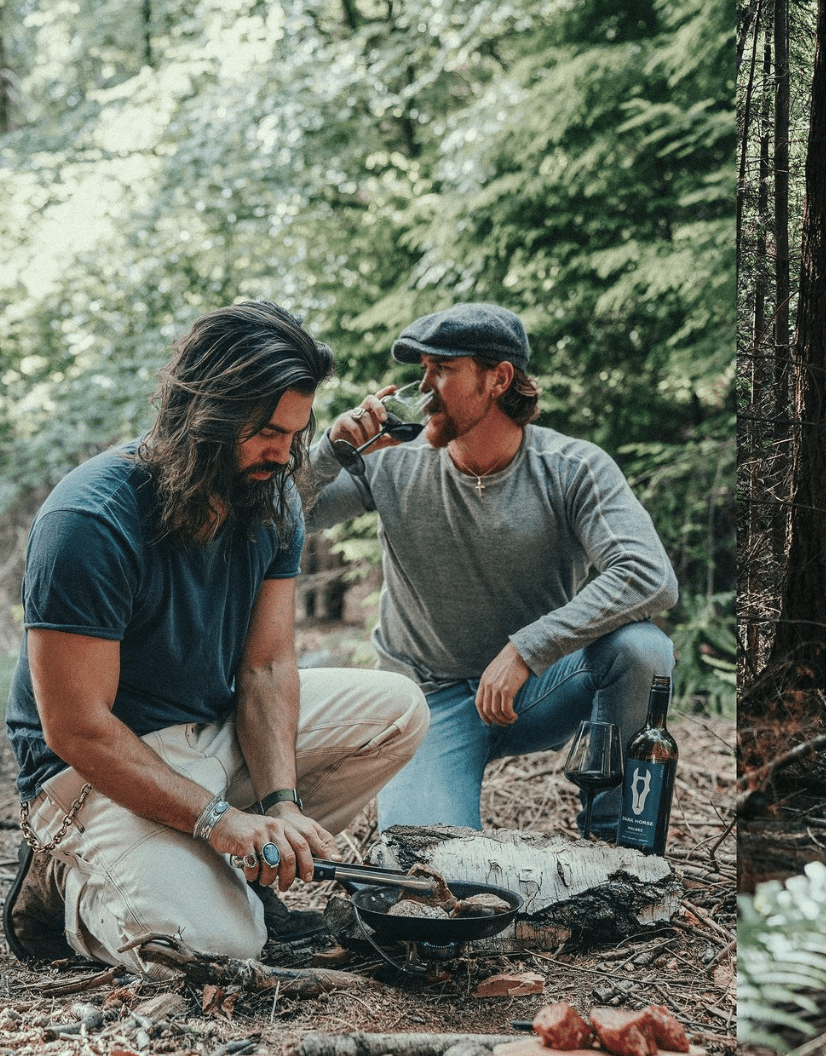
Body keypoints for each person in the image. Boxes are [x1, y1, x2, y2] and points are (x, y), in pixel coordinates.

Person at [3, 300, 428, 976]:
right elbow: (76, 728)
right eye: (265, 432)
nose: (286, 453)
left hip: (208, 734)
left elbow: (264, 669)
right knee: (217, 947)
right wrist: (216, 821)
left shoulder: (273, 498)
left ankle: (235, 869)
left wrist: (282, 803)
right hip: (93, 772)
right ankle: (67, 882)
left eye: (294, 432)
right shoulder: (90, 518)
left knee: (397, 710)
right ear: (206, 416)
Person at [306, 302, 678, 836]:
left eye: (444, 370)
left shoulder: (572, 468)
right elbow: (285, 518)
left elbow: (649, 575)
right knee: (430, 870)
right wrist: (329, 451)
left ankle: (615, 834)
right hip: (426, 704)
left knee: (645, 650)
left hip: (538, 689)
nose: (426, 388)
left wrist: (530, 648)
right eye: (423, 372)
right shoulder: (388, 459)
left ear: (498, 379)